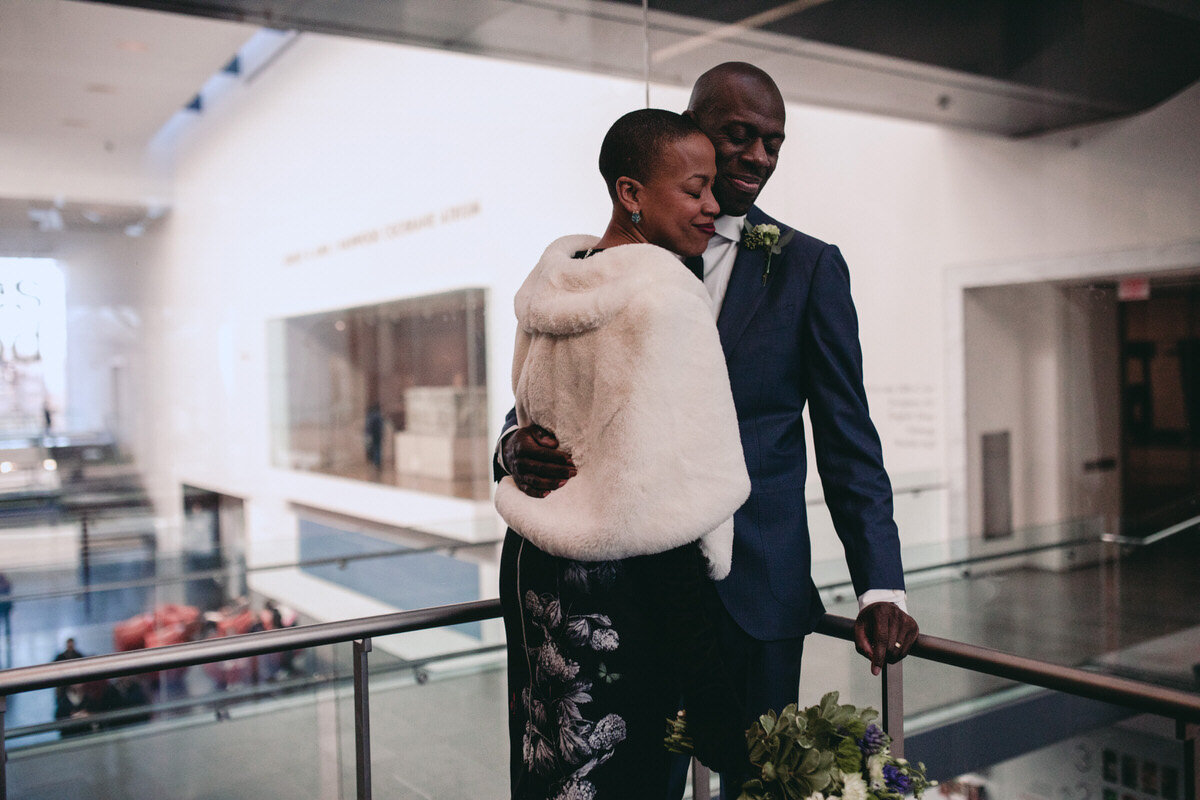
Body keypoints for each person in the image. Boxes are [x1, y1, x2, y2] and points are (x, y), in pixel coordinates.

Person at [497, 63, 920, 797]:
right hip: (632, 594)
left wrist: (882, 583)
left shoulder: (809, 268)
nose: (759, 156)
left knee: (758, 786)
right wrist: (509, 448)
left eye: (774, 142)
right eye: (739, 136)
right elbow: (555, 390)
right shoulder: (610, 264)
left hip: (756, 591)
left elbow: (847, 437)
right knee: (639, 782)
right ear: (693, 130)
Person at [495, 109, 752, 799]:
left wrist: (511, 446)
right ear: (630, 193)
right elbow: (668, 502)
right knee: (627, 775)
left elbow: (526, 422)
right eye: (695, 189)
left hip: (537, 574)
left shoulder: (557, 284)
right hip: (628, 590)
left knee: (553, 762)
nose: (712, 206)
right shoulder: (667, 296)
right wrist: (712, 696)